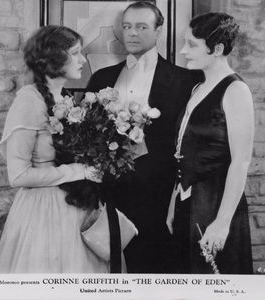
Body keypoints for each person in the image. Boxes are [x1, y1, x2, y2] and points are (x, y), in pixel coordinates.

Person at [87, 1, 203, 273]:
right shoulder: (101, 78)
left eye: (141, 26)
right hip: (109, 195)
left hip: (159, 198)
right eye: (127, 26)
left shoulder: (185, 80)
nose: (132, 33)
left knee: (156, 271)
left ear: (158, 30)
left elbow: (191, 142)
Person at [0, 25, 108, 273]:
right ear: (55, 58)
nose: (82, 59)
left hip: (76, 210)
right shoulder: (29, 100)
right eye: (76, 53)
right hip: (44, 215)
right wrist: (77, 171)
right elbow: (18, 175)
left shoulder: (66, 98)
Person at [166, 12, 254, 274]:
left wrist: (222, 223)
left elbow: (241, 162)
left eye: (191, 44)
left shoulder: (236, 90)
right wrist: (174, 200)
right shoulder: (197, 88)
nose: (183, 51)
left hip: (216, 205)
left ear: (217, 49)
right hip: (187, 202)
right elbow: (184, 149)